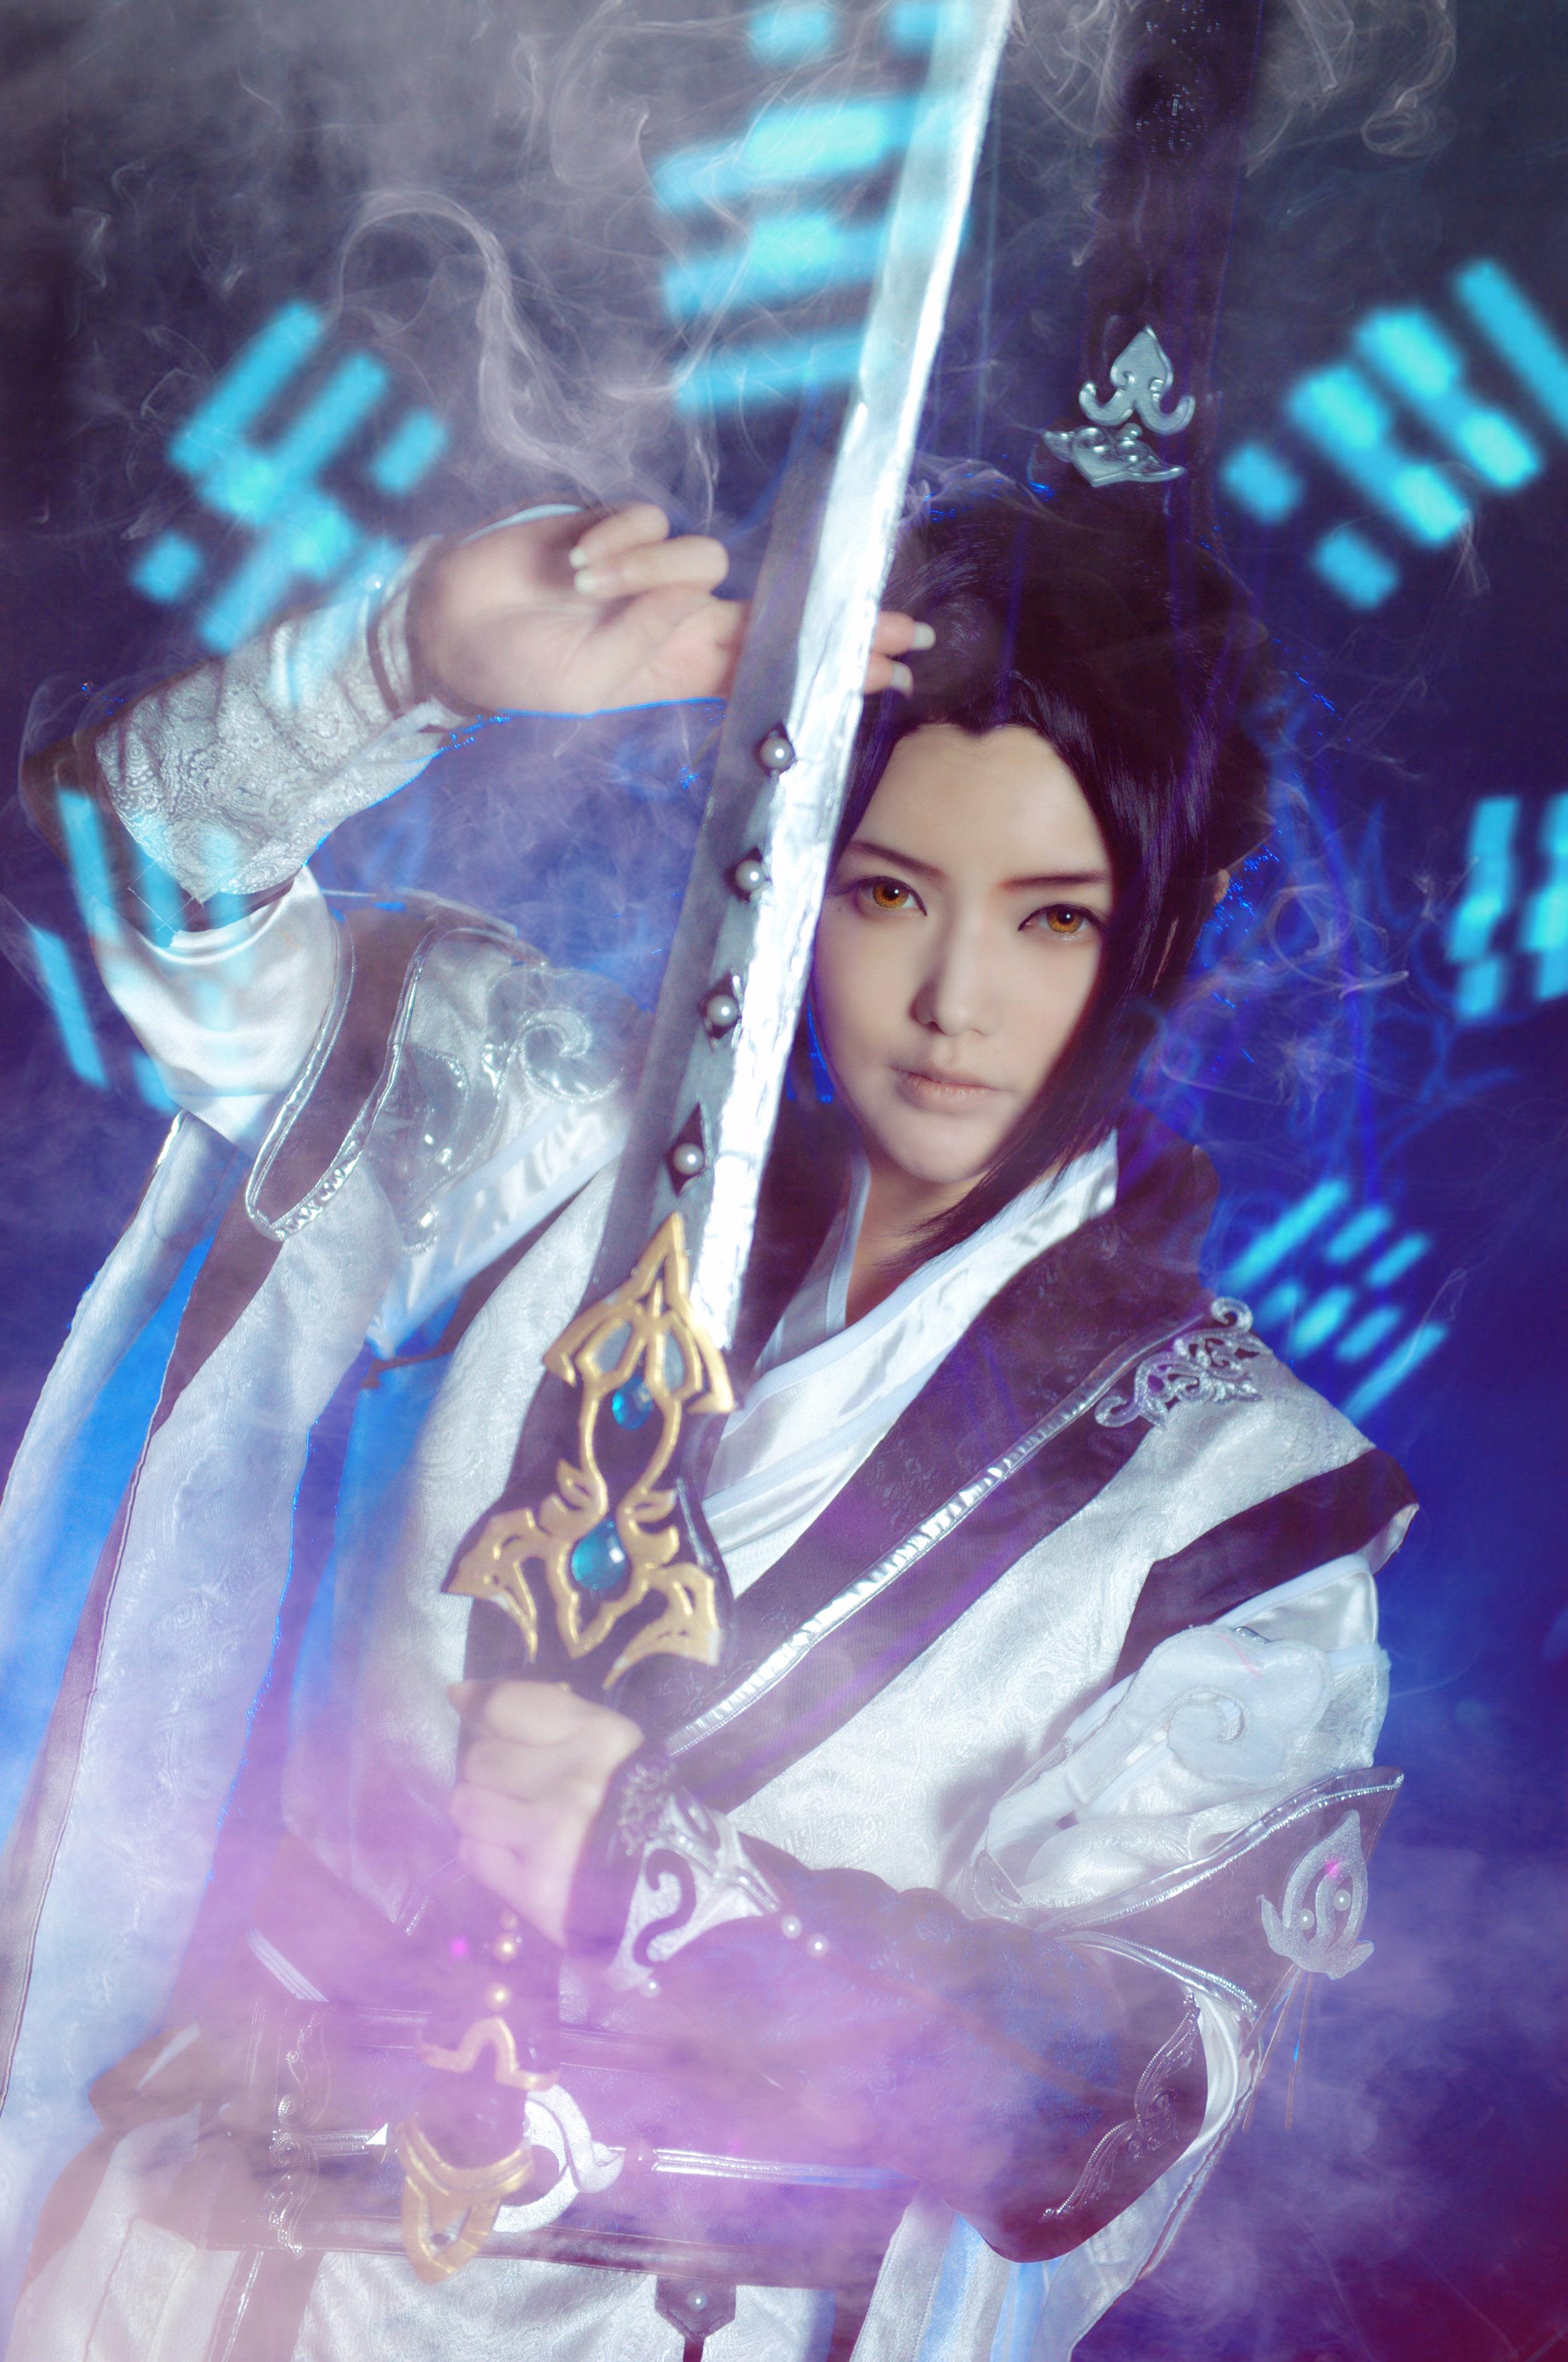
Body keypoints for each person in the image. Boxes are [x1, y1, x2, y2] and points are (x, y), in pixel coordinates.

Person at [0, 476, 1414, 2361]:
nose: (953, 1001)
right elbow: (110, 901)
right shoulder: (558, 1132)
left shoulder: (1235, 1500)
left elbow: (1124, 2089)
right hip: (182, 2270)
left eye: (1052, 918)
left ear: (1162, 935)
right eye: (890, 892)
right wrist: (399, 663)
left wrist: (662, 1885)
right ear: (795, 864)